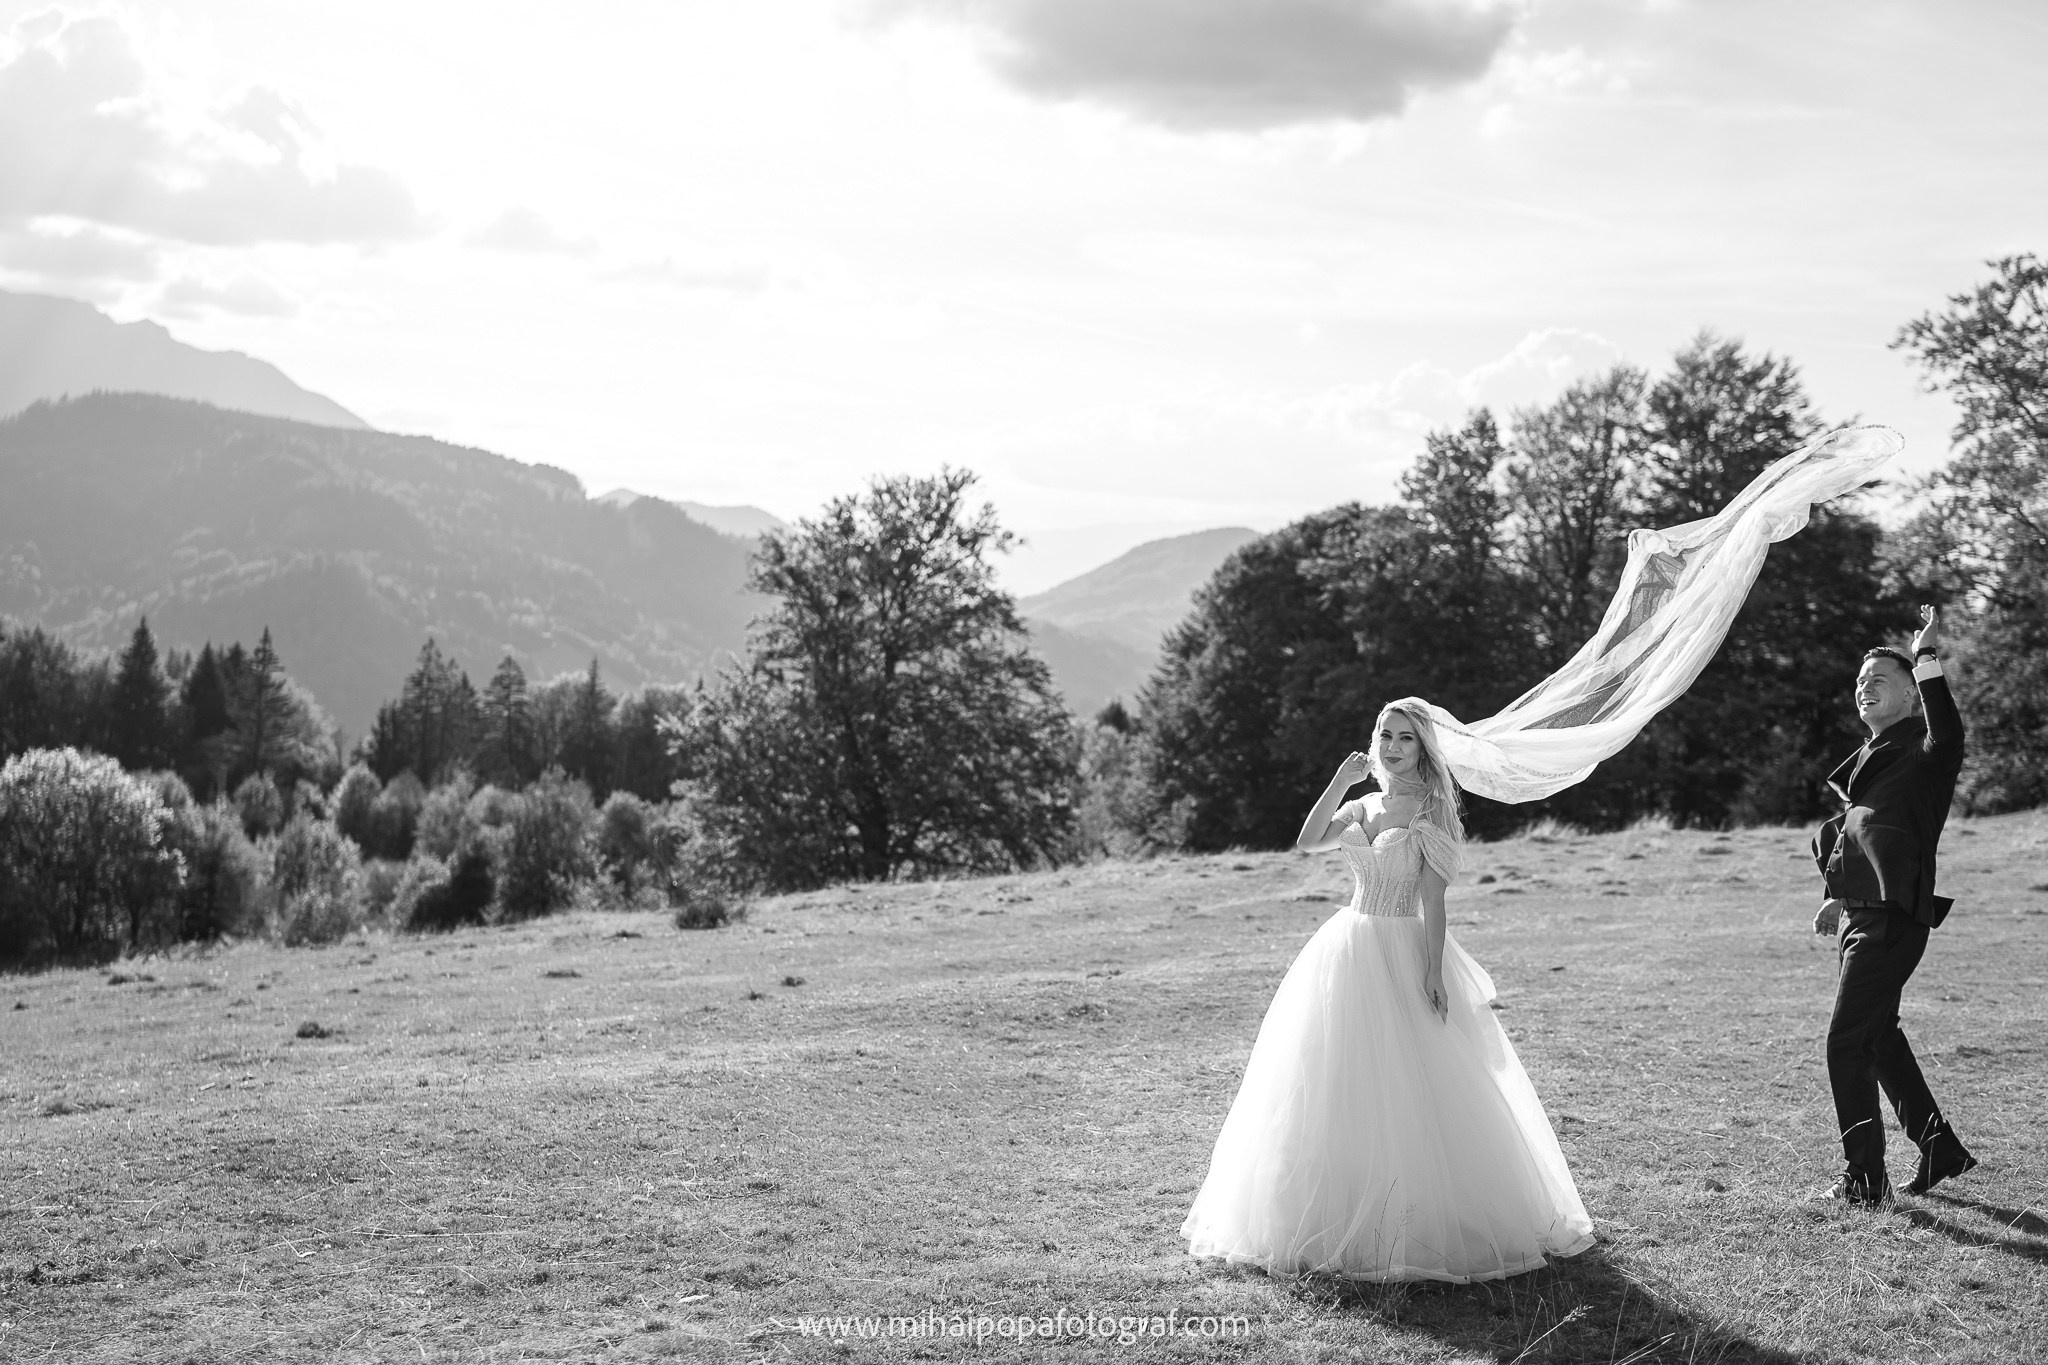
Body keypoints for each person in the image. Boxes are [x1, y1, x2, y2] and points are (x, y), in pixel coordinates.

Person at [1180, 700, 1594, 1282]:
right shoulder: (1365, 804)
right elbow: (1308, 841)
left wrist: (1430, 971)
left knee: (1416, 1079)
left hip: (1403, 946)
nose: (1393, 744)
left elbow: (1434, 903)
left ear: (1424, 747)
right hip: (1347, 945)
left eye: (1405, 737)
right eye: (1385, 733)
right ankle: (1333, 1208)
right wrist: (1340, 780)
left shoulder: (1433, 811)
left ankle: (1427, 1215)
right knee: (1334, 1076)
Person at [1811, 605, 1976, 1206]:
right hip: (1860, 917)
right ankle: (1939, 1149)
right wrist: (1834, 897)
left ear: (1912, 697)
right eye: (1859, 683)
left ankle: (1864, 1181)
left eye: (1879, 680)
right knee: (1877, 1038)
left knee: (1845, 1043)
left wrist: (1927, 656)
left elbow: (1949, 732)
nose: (1864, 688)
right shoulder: (1871, 762)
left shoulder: (1925, 753)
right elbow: (1855, 833)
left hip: (1893, 920)